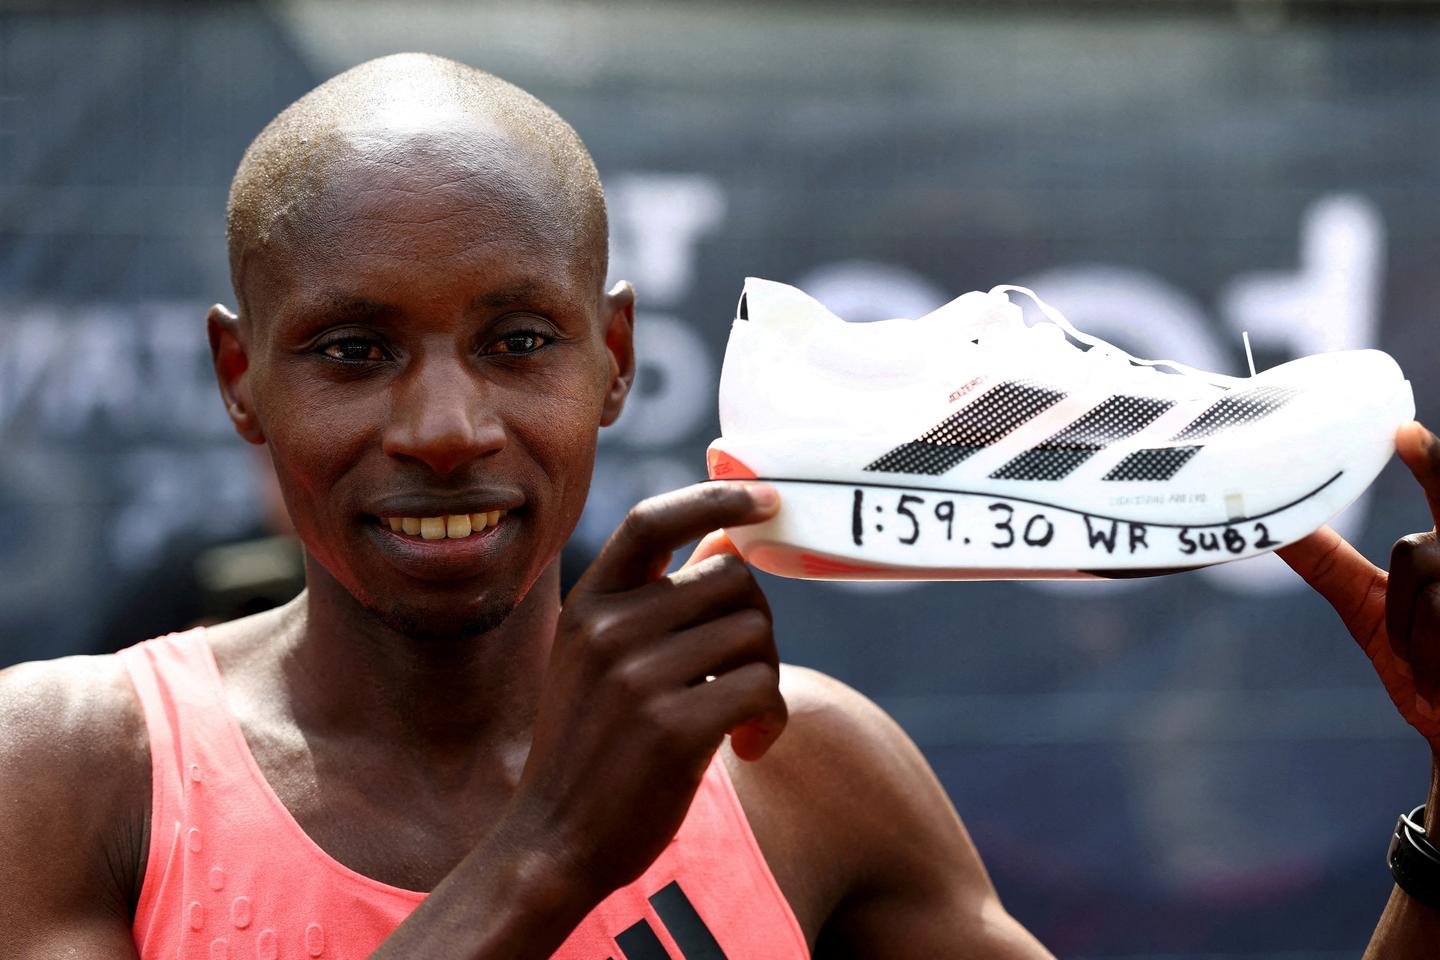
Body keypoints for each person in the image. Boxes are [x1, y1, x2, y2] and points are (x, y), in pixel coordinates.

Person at [0, 52, 1436, 959]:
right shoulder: (68, 773)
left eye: (519, 341)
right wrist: (549, 855)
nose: (445, 429)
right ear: (241, 379)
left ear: (613, 358)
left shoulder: (798, 771)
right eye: (354, 351)